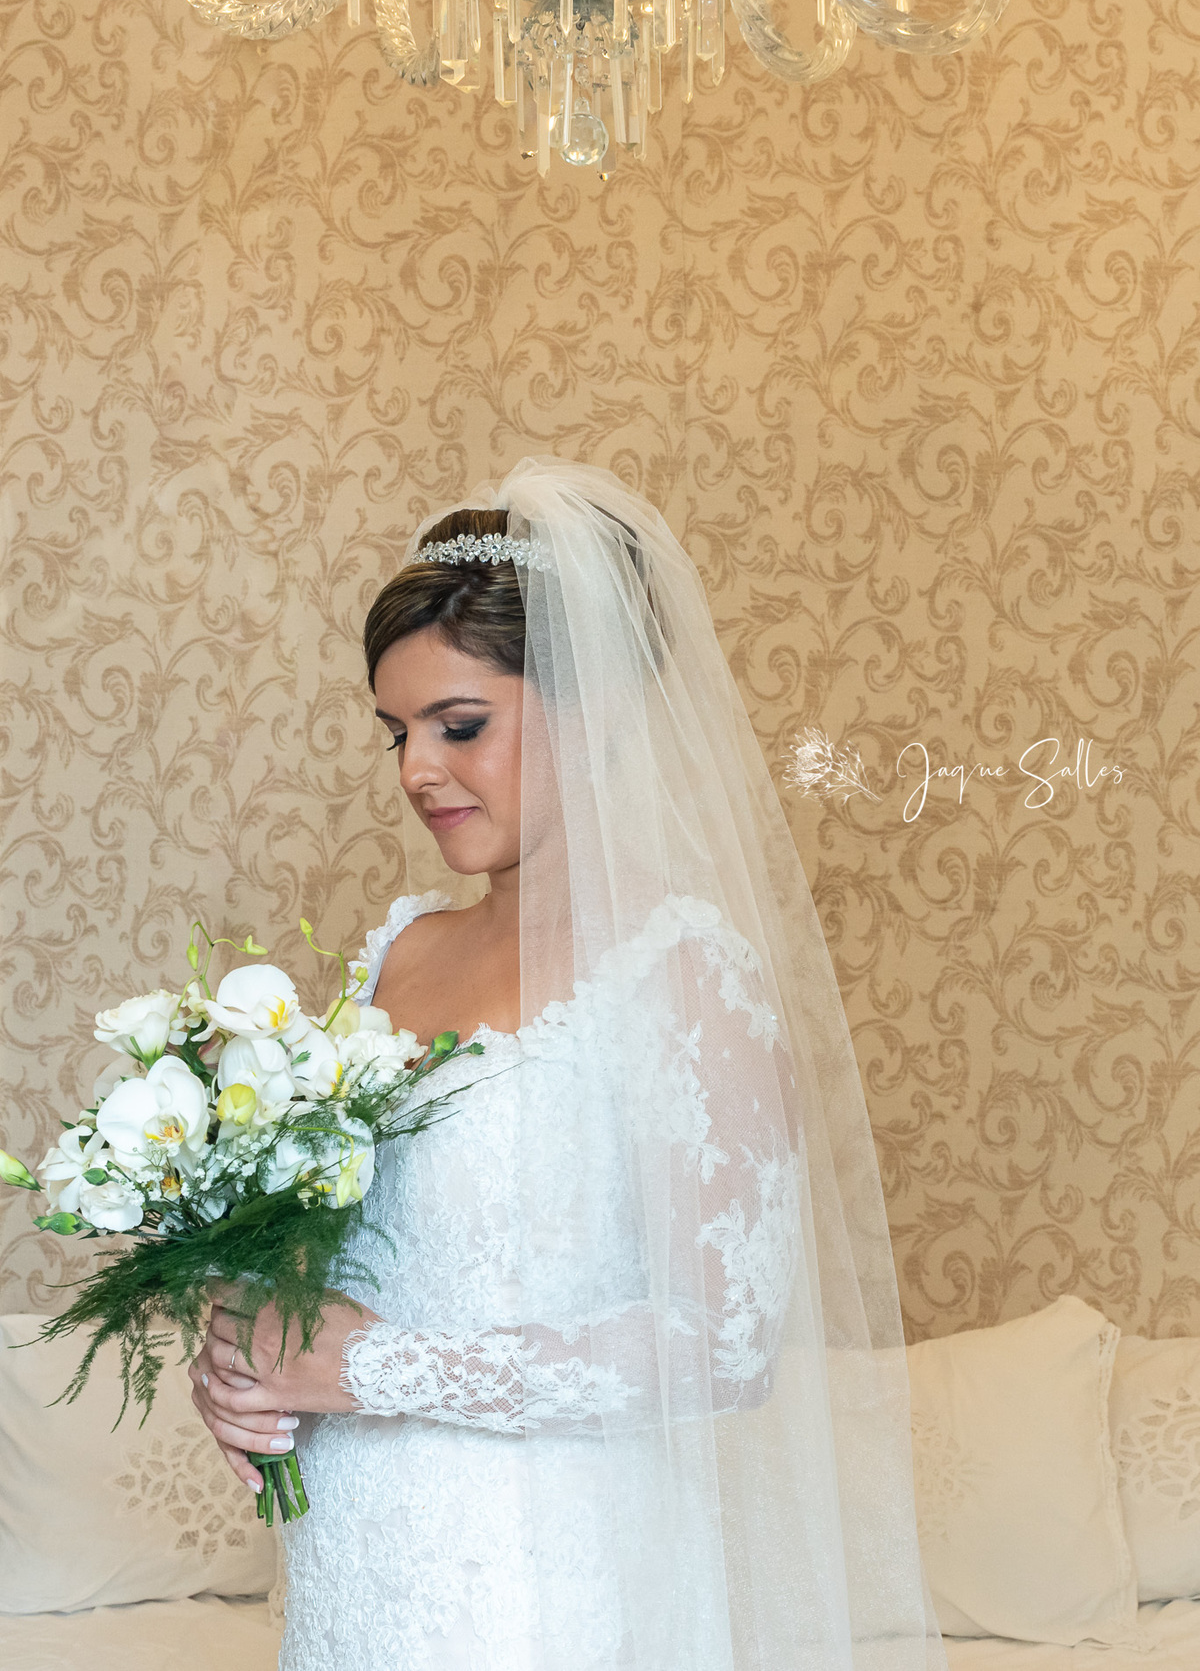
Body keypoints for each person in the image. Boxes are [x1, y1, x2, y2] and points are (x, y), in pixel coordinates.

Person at [189, 459, 945, 1671]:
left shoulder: (684, 972)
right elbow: (332, 1255)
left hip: (562, 1581)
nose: (415, 772)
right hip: (362, 1569)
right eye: (398, 733)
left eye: (461, 726)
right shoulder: (397, 954)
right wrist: (243, 1355)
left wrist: (371, 1364)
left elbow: (725, 1343)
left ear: (594, 709)